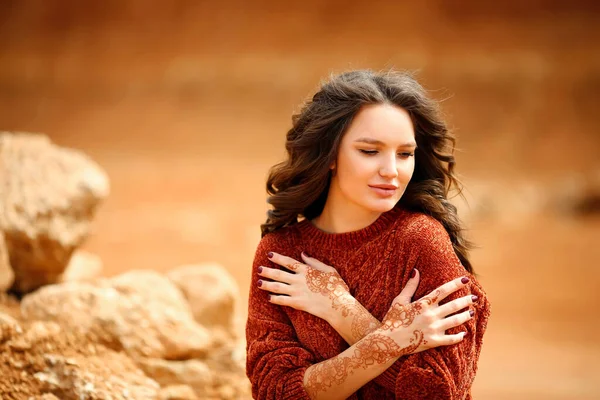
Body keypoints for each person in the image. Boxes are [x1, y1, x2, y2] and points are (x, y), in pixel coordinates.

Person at [245, 69, 491, 400]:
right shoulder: (281, 255)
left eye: (405, 154)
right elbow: (275, 392)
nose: (391, 170)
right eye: (370, 151)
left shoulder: (424, 242)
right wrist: (394, 338)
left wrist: (341, 308)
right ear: (330, 154)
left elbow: (438, 392)